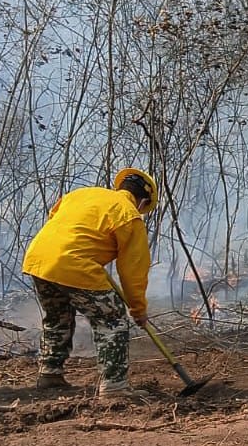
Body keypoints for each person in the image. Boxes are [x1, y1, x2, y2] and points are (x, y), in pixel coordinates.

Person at [22, 168, 156, 398]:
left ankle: (50, 373)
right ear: (143, 202)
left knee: (57, 317)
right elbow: (133, 270)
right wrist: (138, 309)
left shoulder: (81, 194)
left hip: (38, 258)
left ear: (120, 187)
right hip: (74, 264)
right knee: (111, 319)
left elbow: (57, 221)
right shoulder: (129, 214)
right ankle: (115, 386)